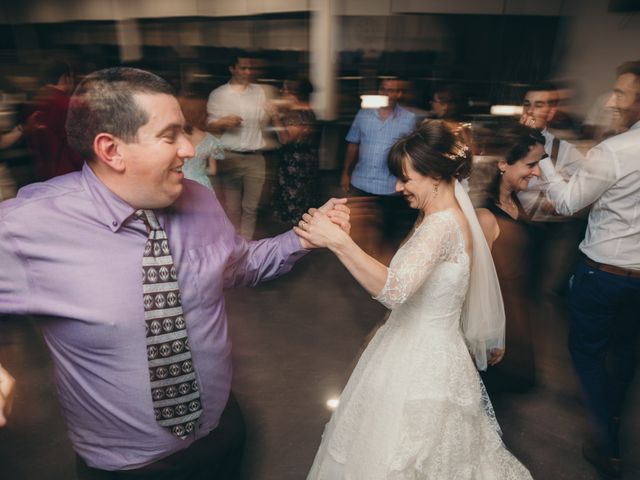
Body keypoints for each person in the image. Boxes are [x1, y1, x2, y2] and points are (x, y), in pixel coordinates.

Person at [0, 67, 349, 479]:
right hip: (130, 465)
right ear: (112, 150)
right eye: (170, 135)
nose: (188, 147)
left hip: (222, 429)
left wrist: (303, 238)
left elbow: (238, 265)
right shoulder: (27, 226)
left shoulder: (198, 199)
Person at [299, 120, 533, 479]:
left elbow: (395, 290)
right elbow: (414, 279)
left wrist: (337, 242)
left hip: (419, 362)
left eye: (406, 178)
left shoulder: (440, 225)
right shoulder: (445, 217)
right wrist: (350, 239)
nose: (398, 187)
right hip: (433, 350)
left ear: (436, 176)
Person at [539, 60, 640, 479]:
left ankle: (606, 443)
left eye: (622, 93)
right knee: (627, 354)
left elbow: (566, 203)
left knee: (588, 354)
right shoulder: (610, 149)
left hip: (605, 275)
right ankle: (613, 416)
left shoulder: (616, 152)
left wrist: (543, 162)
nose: (612, 100)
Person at [476, 125, 546, 392]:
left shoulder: (516, 202)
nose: (537, 171)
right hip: (496, 332)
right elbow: (477, 283)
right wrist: (491, 336)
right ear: (503, 164)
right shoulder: (486, 215)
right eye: (531, 164)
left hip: (517, 323)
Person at [518, 82, 587, 298]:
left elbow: (583, 196)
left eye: (539, 105)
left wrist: (558, 203)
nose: (530, 111)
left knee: (545, 293)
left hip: (551, 233)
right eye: (527, 104)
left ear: (551, 113)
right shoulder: (506, 143)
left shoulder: (567, 151)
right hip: (515, 225)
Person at [340, 77, 417, 260]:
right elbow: (353, 144)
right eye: (383, 89)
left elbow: (411, 154)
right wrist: (346, 173)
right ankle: (362, 262)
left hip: (390, 187)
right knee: (359, 229)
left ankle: (381, 266)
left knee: (387, 233)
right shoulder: (364, 114)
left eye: (392, 90)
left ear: (399, 94)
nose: (386, 94)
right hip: (362, 182)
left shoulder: (409, 119)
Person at [206, 51, 269, 239]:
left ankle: (246, 244)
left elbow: (263, 122)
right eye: (243, 67)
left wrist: (272, 113)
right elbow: (209, 127)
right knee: (232, 208)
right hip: (230, 156)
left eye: (251, 68)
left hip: (256, 158)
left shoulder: (259, 92)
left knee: (251, 207)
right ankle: (234, 245)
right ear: (232, 68)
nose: (248, 72)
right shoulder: (219, 94)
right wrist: (223, 122)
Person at [269, 78, 319, 224]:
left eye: (285, 89)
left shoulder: (297, 113)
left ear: (294, 93)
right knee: (304, 201)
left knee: (296, 203)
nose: (282, 92)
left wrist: (275, 116)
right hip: (304, 162)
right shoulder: (307, 110)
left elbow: (285, 139)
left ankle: (295, 237)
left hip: (296, 166)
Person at [24, 60, 83, 180]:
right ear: (65, 78)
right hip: (68, 173)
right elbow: (76, 144)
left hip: (42, 172)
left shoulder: (34, 102)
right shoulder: (66, 105)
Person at [178, 90, 224, 190]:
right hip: (200, 184)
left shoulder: (172, 136)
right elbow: (213, 171)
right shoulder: (212, 141)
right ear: (203, 115)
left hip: (179, 182)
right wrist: (198, 172)